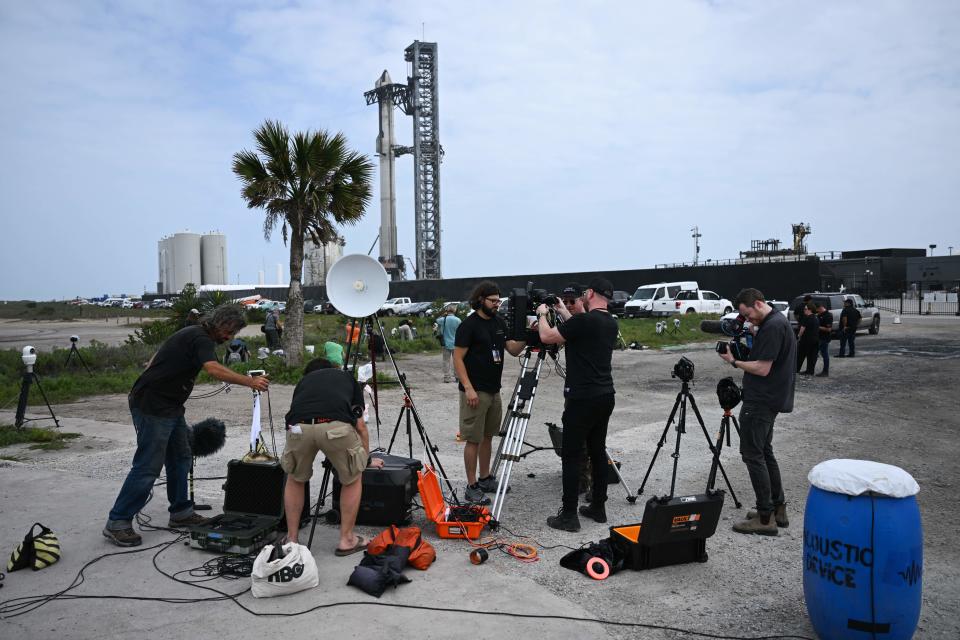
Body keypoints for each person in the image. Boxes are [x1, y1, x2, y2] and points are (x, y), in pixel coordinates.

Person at [104, 305, 270, 547]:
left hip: (170, 406)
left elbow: (153, 360)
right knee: (148, 466)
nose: (230, 338)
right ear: (220, 323)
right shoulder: (200, 337)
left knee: (181, 456)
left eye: (233, 334)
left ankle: (181, 512)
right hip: (153, 406)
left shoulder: (192, 333)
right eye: (230, 331)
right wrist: (250, 382)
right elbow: (212, 368)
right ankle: (117, 522)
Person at [536, 277, 619, 532]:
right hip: (605, 395)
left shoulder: (585, 321)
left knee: (571, 455)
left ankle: (569, 515)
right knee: (597, 451)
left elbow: (548, 336)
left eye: (583, 294)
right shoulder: (609, 323)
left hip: (581, 397)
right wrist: (562, 310)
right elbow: (581, 329)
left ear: (591, 293)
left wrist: (542, 314)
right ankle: (598, 507)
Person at [280, 358, 383, 554]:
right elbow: (360, 426)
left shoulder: (303, 383)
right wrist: (364, 460)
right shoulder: (345, 377)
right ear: (332, 369)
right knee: (352, 478)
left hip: (298, 428)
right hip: (335, 426)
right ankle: (347, 540)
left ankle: (291, 539)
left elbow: (295, 413)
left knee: (295, 479)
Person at [716, 288, 795, 536]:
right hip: (771, 398)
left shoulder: (772, 327)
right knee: (765, 452)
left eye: (748, 314)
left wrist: (733, 361)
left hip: (761, 401)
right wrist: (753, 332)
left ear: (758, 304)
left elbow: (761, 368)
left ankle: (764, 518)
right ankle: (777, 509)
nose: (748, 320)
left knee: (753, 455)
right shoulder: (777, 321)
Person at [453, 281, 525, 504]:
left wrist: (528, 334)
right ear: (480, 300)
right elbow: (457, 358)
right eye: (493, 301)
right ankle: (472, 485)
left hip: (494, 391)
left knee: (487, 437)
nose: (497, 305)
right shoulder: (469, 325)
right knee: (472, 439)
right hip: (475, 391)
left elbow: (512, 349)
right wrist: (468, 388)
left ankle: (485, 478)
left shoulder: (498, 322)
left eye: (499, 301)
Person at [435, 304, 462, 383]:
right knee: (456, 360)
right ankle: (457, 377)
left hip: (445, 343)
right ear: (454, 310)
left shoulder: (443, 319)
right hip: (456, 343)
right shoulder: (458, 320)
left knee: (446, 361)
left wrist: (443, 314)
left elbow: (437, 320)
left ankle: (447, 377)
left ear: (447, 311)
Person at [795, 302, 820, 375]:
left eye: (805, 309)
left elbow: (802, 329)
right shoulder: (816, 317)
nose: (804, 310)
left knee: (800, 355)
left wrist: (799, 337)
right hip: (815, 339)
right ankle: (810, 371)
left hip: (806, 340)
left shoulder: (807, 318)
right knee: (812, 356)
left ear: (810, 310)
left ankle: (796, 369)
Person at [815, 302, 833, 377]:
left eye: (817, 310)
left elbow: (829, 329)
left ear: (820, 308)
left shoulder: (828, 316)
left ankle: (825, 371)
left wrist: (817, 327)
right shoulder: (819, 315)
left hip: (824, 338)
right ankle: (810, 369)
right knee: (816, 353)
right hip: (819, 337)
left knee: (825, 354)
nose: (817, 312)